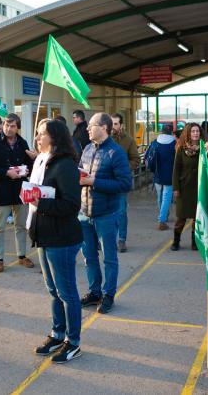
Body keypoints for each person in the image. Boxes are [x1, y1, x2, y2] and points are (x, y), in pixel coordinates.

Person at [28, 120, 84, 364]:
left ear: (55, 138)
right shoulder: (42, 161)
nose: (37, 139)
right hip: (44, 235)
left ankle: (73, 342)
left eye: (41, 135)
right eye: (38, 134)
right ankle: (57, 334)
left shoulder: (65, 166)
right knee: (53, 291)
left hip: (62, 238)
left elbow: (72, 205)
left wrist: (40, 201)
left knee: (67, 293)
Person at [78, 113, 132, 314]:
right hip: (85, 212)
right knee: (89, 256)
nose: (87, 128)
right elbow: (82, 173)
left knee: (109, 258)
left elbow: (125, 184)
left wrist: (95, 182)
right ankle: (94, 292)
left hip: (107, 214)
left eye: (91, 125)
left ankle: (108, 295)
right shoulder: (88, 148)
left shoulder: (116, 153)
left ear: (103, 127)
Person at [0, 113, 35, 272]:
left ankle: (22, 255)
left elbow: (30, 166)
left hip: (20, 189)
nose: (8, 128)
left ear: (17, 127)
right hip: (3, 189)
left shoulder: (23, 143)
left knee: (20, 225)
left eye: (12, 126)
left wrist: (25, 171)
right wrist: (6, 172)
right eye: (6, 125)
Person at [111, 113, 139, 253]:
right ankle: (106, 239)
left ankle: (122, 240)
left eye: (115, 123)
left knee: (121, 212)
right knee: (105, 212)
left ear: (121, 125)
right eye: (111, 123)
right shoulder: (104, 139)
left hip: (121, 182)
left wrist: (122, 167)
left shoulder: (128, 140)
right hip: (105, 182)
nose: (113, 126)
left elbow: (136, 160)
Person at [172, 123, 203, 251]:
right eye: (193, 131)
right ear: (188, 133)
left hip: (198, 187)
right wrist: (176, 188)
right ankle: (176, 241)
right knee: (181, 218)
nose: (196, 133)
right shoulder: (181, 149)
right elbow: (176, 170)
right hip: (184, 188)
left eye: (197, 131)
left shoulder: (204, 148)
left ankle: (194, 242)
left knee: (197, 218)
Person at [148, 124, 176, 230]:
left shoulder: (155, 143)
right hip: (170, 175)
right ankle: (162, 220)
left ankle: (163, 215)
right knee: (166, 198)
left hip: (157, 174)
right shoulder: (174, 143)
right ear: (171, 132)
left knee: (159, 197)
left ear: (161, 131)